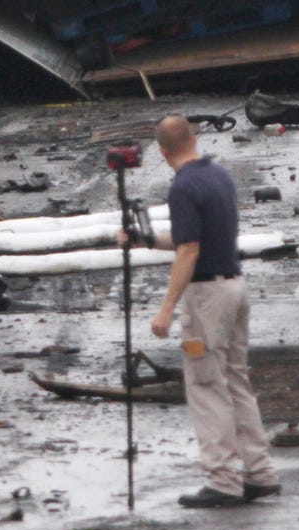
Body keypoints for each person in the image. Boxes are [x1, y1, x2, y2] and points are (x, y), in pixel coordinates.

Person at [120, 115, 281, 507]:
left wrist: (166, 309)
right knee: (236, 382)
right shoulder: (218, 175)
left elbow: (189, 250)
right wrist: (146, 239)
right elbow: (189, 237)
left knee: (207, 386)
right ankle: (259, 472)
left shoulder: (184, 186)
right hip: (235, 288)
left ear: (162, 152)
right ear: (194, 139)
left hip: (207, 297)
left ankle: (223, 480)